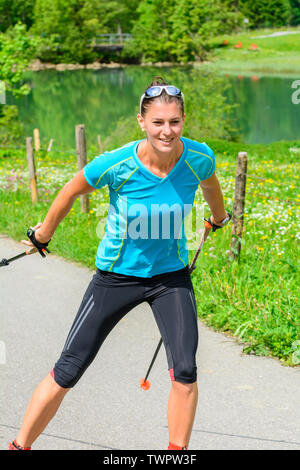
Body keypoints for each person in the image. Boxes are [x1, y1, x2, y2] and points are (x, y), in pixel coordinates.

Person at [9, 77, 230, 451]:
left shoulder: (198, 157)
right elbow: (70, 190)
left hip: (170, 278)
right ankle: (19, 446)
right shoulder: (117, 164)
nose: (167, 131)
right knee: (68, 370)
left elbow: (210, 185)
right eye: (158, 122)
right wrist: (44, 234)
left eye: (174, 122)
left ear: (183, 120)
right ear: (142, 121)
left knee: (186, 371)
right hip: (115, 278)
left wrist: (218, 217)